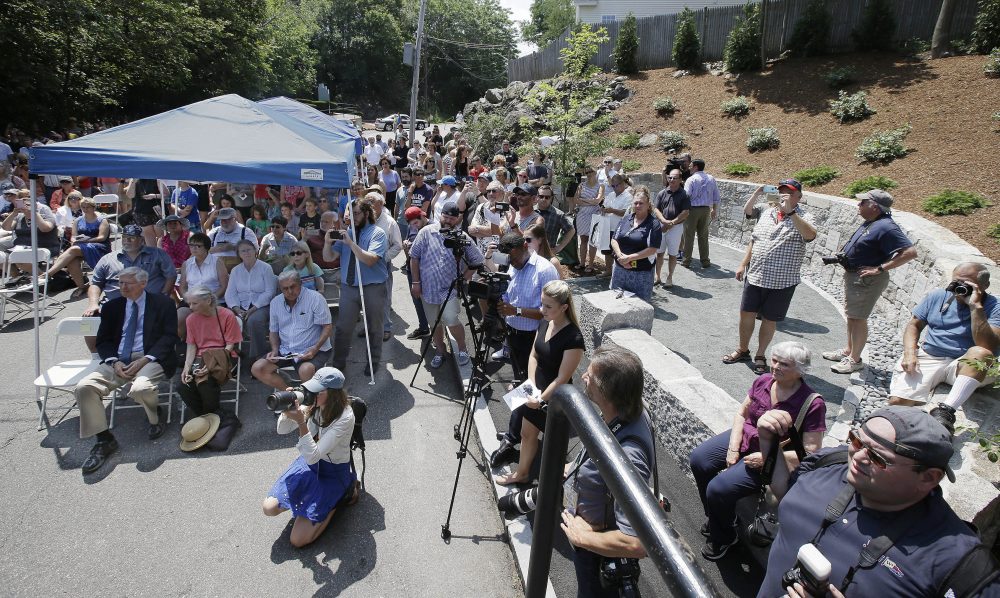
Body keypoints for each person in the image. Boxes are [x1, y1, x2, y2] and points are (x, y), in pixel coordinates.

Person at [755, 406, 999, 597]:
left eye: (878, 458)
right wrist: (769, 442)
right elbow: (788, 494)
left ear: (928, 477)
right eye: (856, 441)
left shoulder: (958, 564)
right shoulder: (828, 464)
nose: (858, 456)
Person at [690, 341, 826, 560]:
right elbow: (742, 414)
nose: (776, 367)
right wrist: (733, 447)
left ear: (801, 369)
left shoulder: (812, 403)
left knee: (718, 488)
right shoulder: (763, 380)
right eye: (774, 360)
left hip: (773, 456)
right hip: (746, 435)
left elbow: (811, 452)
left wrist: (767, 457)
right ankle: (720, 518)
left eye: (785, 364)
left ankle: (724, 536)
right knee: (699, 459)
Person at [560, 346, 654, 598]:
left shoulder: (629, 456)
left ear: (605, 390)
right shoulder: (630, 408)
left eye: (589, 375)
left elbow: (636, 544)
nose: (583, 377)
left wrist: (583, 539)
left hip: (597, 548)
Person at [73, 267, 179, 474]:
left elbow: (169, 337)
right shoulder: (113, 307)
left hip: (150, 357)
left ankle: (155, 414)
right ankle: (104, 440)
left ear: (143, 283)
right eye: (120, 283)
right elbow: (103, 341)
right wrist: (114, 362)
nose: (122, 287)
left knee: (140, 388)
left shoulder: (163, 303)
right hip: (118, 360)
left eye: (127, 283)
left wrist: (145, 360)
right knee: (84, 387)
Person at [888, 262, 1000, 434]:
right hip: (932, 355)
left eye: (966, 285)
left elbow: (987, 346)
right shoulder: (938, 296)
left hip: (965, 365)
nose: (959, 289)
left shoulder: (994, 307)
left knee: (980, 353)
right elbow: (913, 325)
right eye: (956, 282)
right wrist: (909, 353)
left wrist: (975, 307)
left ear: (984, 286)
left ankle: (947, 411)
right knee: (897, 401)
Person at [492, 280, 584, 483]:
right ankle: (522, 474)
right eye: (542, 304)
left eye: (548, 306)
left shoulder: (574, 338)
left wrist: (540, 399)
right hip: (536, 387)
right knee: (526, 433)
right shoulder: (544, 322)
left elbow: (562, 378)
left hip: (555, 396)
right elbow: (533, 356)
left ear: (564, 307)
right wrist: (531, 385)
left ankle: (555, 487)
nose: (542, 310)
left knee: (554, 445)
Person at [724, 179, 817, 374]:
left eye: (789, 193)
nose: (784, 195)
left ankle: (760, 354)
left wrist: (791, 212)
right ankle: (742, 349)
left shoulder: (805, 216)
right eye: (781, 191)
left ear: (799, 197)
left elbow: (810, 235)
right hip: (756, 275)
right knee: (746, 314)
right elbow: (754, 240)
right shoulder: (768, 212)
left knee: (769, 319)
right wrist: (743, 264)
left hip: (782, 281)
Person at [263, 367, 360, 548]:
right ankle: (314, 503)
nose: (310, 393)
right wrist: (287, 410)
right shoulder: (313, 403)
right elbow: (282, 430)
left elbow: (314, 455)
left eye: (317, 390)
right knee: (269, 508)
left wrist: (301, 421)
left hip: (332, 472)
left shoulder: (345, 417)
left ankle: (338, 498)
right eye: (310, 388)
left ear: (332, 394)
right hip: (309, 465)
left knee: (298, 541)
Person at [822, 189, 917, 374]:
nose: (859, 205)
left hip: (866, 280)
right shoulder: (872, 222)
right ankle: (849, 351)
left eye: (863, 202)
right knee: (852, 316)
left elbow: (910, 253)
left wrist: (879, 269)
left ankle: (855, 360)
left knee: (858, 319)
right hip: (855, 276)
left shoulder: (887, 227)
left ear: (874, 206)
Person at [409, 201, 484, 368]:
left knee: (451, 319)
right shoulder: (426, 232)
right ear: (440, 214)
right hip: (427, 289)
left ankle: (462, 348)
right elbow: (414, 256)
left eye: (452, 218)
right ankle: (440, 350)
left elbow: (478, 260)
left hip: (448, 289)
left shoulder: (462, 237)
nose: (448, 220)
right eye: (446, 216)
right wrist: (415, 282)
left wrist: (463, 278)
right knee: (434, 323)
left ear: (457, 219)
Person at [324, 195, 389, 376]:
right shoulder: (348, 233)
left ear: (367, 214)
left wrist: (351, 243)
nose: (352, 218)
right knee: (343, 327)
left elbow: (369, 260)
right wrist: (327, 243)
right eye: (349, 214)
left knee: (374, 327)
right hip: (349, 286)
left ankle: (373, 362)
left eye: (356, 214)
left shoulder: (377, 233)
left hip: (372, 286)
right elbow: (329, 258)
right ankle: (338, 365)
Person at [494, 232, 560, 381]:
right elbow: (509, 293)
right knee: (518, 369)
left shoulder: (545, 270)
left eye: (515, 259)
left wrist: (515, 311)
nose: (513, 264)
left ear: (525, 246)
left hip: (534, 337)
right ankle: (519, 384)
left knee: (534, 376)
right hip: (512, 332)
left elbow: (550, 312)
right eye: (509, 261)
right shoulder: (513, 265)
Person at [251, 270, 333, 389]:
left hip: (313, 348)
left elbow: (327, 326)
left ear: (300, 283)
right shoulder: (275, 302)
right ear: (280, 288)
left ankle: (309, 402)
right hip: (286, 350)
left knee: (305, 370)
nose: (290, 291)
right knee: (258, 368)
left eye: (293, 287)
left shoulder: (315, 298)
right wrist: (274, 350)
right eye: (285, 288)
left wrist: (315, 348)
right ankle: (292, 395)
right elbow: (273, 331)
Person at [83, 224, 176, 320]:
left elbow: (171, 276)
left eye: (131, 238)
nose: (127, 240)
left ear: (141, 240)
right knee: (88, 323)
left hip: (150, 303)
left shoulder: (157, 254)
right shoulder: (107, 259)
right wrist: (93, 304)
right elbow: (95, 283)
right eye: (124, 237)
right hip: (115, 305)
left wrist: (163, 296)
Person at [177, 285, 242, 417]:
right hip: (200, 357)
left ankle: (210, 415)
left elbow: (230, 345)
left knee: (205, 383)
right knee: (183, 386)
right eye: (189, 303)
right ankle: (205, 415)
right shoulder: (191, 319)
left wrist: (211, 365)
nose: (190, 307)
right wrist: (187, 367)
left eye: (194, 303)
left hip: (223, 354)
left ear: (207, 301)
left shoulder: (227, 315)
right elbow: (191, 345)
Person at [41, 196, 111, 299]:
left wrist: (87, 240)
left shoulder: (101, 220)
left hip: (99, 246)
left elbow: (102, 237)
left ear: (93, 207)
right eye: (83, 207)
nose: (85, 209)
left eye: (88, 207)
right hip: (81, 245)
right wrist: (75, 240)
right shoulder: (78, 220)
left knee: (73, 249)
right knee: (71, 261)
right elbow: (73, 236)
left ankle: (49, 273)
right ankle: (82, 286)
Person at [226, 238, 277, 363]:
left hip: (262, 305)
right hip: (240, 306)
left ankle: (259, 358)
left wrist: (253, 308)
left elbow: (269, 292)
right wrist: (236, 309)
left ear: (255, 250)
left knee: (254, 320)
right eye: (242, 251)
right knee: (225, 318)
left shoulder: (265, 268)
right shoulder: (235, 270)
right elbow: (230, 293)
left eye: (249, 250)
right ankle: (228, 357)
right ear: (238, 254)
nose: (246, 253)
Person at [609, 187, 661, 301]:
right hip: (620, 270)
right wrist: (620, 256)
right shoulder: (626, 219)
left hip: (641, 273)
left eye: (641, 203)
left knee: (639, 306)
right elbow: (614, 239)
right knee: (615, 303)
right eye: (635, 203)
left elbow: (652, 249)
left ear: (648, 205)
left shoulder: (654, 224)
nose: (638, 206)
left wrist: (630, 258)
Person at [177, 232, 229, 339]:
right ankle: (187, 343)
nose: (194, 248)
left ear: (206, 247)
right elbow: (183, 287)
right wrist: (189, 300)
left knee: (210, 317)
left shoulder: (217, 262)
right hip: (190, 300)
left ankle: (211, 345)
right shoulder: (186, 264)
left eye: (198, 246)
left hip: (213, 300)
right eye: (191, 245)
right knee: (178, 318)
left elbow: (224, 286)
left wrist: (209, 299)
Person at [371, 192, 403, 342]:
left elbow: (398, 245)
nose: (369, 205)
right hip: (366, 265)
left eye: (372, 202)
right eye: (368, 202)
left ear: (381, 204)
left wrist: (384, 258)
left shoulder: (390, 222)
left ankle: (385, 327)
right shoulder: (363, 220)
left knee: (384, 297)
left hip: (382, 265)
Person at [652, 167, 690, 287]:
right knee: (659, 253)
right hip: (662, 226)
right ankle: (657, 276)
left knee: (673, 254)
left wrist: (671, 223)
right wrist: (663, 221)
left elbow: (685, 212)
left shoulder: (684, 195)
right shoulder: (662, 193)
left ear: (680, 180)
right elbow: (656, 208)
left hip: (676, 228)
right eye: (670, 177)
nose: (672, 179)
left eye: (675, 178)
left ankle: (669, 277)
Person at [681, 158, 720, 269]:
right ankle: (705, 261)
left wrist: (683, 210)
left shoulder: (691, 179)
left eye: (691, 166)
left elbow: (686, 196)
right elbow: (716, 196)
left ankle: (686, 261)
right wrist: (714, 209)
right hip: (706, 210)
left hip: (692, 210)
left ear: (696, 167)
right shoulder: (711, 178)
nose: (689, 167)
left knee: (689, 236)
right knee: (703, 236)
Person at [592, 175, 631, 277]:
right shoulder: (611, 195)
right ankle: (609, 270)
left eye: (616, 185)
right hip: (607, 227)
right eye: (612, 185)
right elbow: (605, 206)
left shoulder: (628, 196)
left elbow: (625, 213)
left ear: (622, 184)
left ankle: (619, 273)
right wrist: (603, 209)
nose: (614, 188)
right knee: (607, 251)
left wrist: (612, 210)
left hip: (619, 229)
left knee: (618, 252)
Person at [535, 185, 576, 269]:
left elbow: (571, 230)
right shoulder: (531, 211)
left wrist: (559, 248)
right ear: (537, 197)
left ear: (551, 198)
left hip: (547, 256)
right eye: (541, 196)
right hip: (530, 253)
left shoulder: (558, 214)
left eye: (547, 197)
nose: (544, 199)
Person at [573, 166, 604, 275]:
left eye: (591, 171)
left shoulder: (601, 186)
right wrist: (590, 201)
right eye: (587, 172)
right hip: (582, 215)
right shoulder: (581, 186)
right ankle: (582, 263)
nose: (589, 173)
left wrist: (584, 201)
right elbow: (576, 200)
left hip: (594, 216)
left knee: (592, 241)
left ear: (596, 171)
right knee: (583, 240)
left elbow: (597, 201)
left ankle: (590, 264)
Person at [124, 178, 164, 247]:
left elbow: (166, 193)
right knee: (148, 235)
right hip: (141, 212)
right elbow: (130, 195)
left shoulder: (155, 178)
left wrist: (154, 196)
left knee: (160, 234)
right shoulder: (134, 180)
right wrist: (133, 181)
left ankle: (161, 253)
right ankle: (152, 255)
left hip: (155, 211)